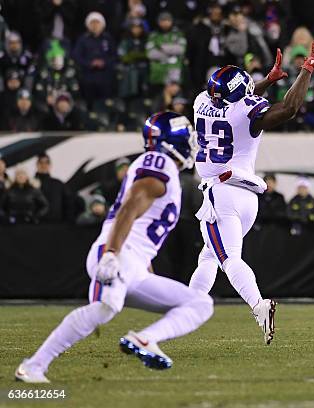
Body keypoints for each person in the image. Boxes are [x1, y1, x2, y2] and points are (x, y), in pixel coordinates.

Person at [15, 111, 214, 383]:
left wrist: (146, 269)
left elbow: (140, 219)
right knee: (104, 308)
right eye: (186, 137)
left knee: (200, 303)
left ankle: (145, 339)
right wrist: (111, 254)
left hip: (134, 262)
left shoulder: (163, 167)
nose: (191, 142)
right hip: (117, 253)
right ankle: (34, 366)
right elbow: (132, 204)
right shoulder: (160, 162)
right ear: (171, 141)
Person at [189, 42, 314, 344]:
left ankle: (258, 305)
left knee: (226, 258)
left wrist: (266, 81)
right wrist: (306, 69)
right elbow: (289, 108)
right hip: (247, 197)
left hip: (221, 195)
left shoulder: (201, 100)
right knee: (210, 256)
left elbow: (238, 100)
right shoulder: (246, 110)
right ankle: (188, 308)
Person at [72, 12, 117, 107]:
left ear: (102, 24)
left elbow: (114, 56)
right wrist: (89, 63)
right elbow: (77, 56)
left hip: (105, 77)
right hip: (88, 77)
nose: (95, 26)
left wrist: (104, 63)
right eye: (92, 23)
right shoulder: (83, 39)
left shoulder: (108, 39)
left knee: (105, 104)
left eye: (97, 23)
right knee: (89, 104)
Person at [146, 12, 186, 94]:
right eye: (162, 20)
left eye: (167, 20)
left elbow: (181, 49)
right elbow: (150, 54)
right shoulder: (153, 36)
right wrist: (171, 52)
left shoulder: (178, 34)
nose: (165, 23)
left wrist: (162, 47)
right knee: (158, 100)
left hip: (174, 71)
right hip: (157, 73)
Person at [34, 152, 74, 222]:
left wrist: (67, 221)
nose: (44, 165)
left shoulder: (58, 184)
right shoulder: (30, 184)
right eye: (41, 162)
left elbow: (68, 203)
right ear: (37, 165)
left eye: (47, 162)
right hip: (34, 225)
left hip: (56, 225)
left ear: (50, 165)